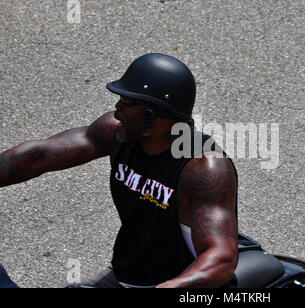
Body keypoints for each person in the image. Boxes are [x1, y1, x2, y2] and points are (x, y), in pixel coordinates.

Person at [0, 53, 239, 288]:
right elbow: (37, 157)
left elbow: (221, 259)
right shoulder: (117, 133)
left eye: (126, 102)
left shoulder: (203, 168)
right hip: (126, 275)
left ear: (155, 114)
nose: (117, 108)